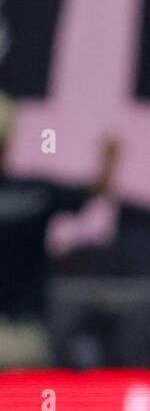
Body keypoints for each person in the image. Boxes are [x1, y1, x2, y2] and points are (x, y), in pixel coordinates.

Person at [0, 92, 117, 367]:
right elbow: (92, 191)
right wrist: (110, 162)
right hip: (24, 339)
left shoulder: (37, 190)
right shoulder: (35, 192)